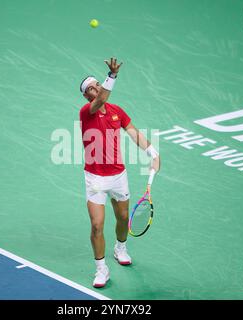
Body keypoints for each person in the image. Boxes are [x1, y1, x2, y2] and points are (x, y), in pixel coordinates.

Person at [79, 57, 161, 288]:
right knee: (97, 225)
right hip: (94, 178)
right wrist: (112, 75)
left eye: (97, 83)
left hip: (117, 176)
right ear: (87, 96)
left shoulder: (117, 111)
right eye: (91, 88)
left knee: (123, 218)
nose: (96, 88)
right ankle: (101, 269)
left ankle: (120, 247)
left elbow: (134, 133)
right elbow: (103, 96)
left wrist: (154, 154)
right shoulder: (87, 111)